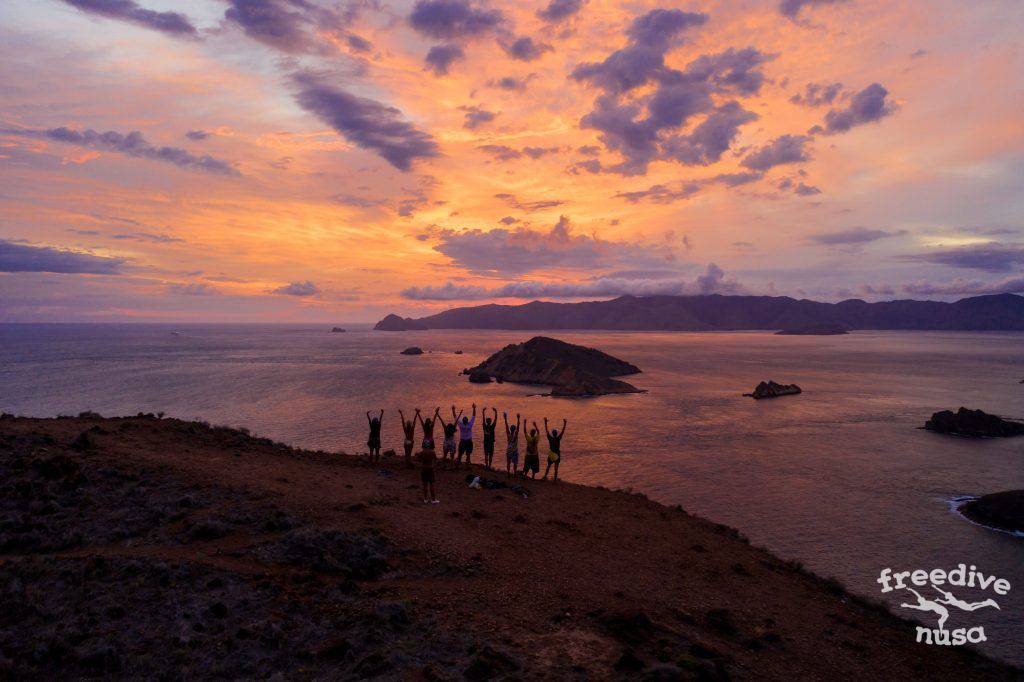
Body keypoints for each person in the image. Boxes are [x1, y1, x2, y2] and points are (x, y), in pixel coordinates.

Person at [415, 410, 439, 504]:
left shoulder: (425, 428)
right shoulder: (431, 427)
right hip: (431, 441)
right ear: (430, 423)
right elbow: (434, 421)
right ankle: (433, 499)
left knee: (424, 483)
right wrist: (436, 413)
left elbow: (421, 421)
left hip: (425, 440)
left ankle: (425, 499)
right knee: (431, 455)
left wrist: (418, 414)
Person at [456, 403, 476, 468]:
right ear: (467, 421)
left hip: (463, 441)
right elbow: (473, 416)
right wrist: (474, 408)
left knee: (460, 454)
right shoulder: (470, 424)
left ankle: (458, 466)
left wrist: (453, 410)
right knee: (468, 454)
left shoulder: (461, 425)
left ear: (463, 421)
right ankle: (467, 466)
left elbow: (455, 417)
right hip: (468, 441)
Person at [503, 412, 521, 477]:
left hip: (509, 451)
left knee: (509, 463)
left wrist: (505, 418)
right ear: (514, 429)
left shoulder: (509, 435)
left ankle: (508, 473)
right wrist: (518, 419)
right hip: (514, 451)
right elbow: (518, 428)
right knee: (515, 463)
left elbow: (506, 426)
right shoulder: (515, 435)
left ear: (511, 429)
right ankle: (515, 474)